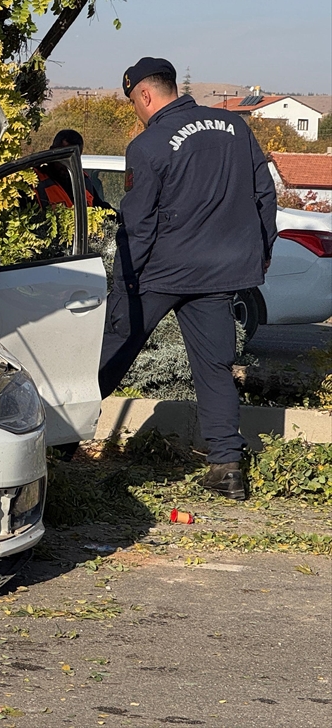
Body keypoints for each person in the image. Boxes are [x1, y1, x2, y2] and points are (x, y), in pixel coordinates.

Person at [98, 57, 277, 499]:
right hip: (217, 274)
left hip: (161, 272)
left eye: (134, 103)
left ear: (144, 94)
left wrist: (124, 281)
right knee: (215, 367)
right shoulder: (235, 128)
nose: (137, 112)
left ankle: (57, 443)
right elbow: (264, 193)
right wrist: (261, 251)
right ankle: (226, 465)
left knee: (110, 352)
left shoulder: (149, 143)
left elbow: (139, 223)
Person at [33, 129, 111, 210]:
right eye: (63, 157)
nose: (68, 164)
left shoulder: (83, 181)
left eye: (74, 158)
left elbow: (101, 208)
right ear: (52, 151)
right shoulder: (35, 180)